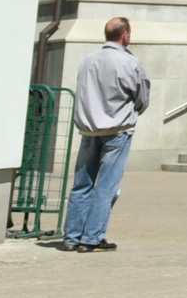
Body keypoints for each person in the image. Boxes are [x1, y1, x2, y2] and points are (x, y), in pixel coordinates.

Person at [64, 17, 151, 253]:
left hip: (89, 129)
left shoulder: (88, 60)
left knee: (82, 184)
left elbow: (81, 90)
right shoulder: (130, 62)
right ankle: (92, 238)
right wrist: (129, 113)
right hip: (117, 130)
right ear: (126, 36)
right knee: (106, 186)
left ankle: (72, 237)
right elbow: (142, 97)